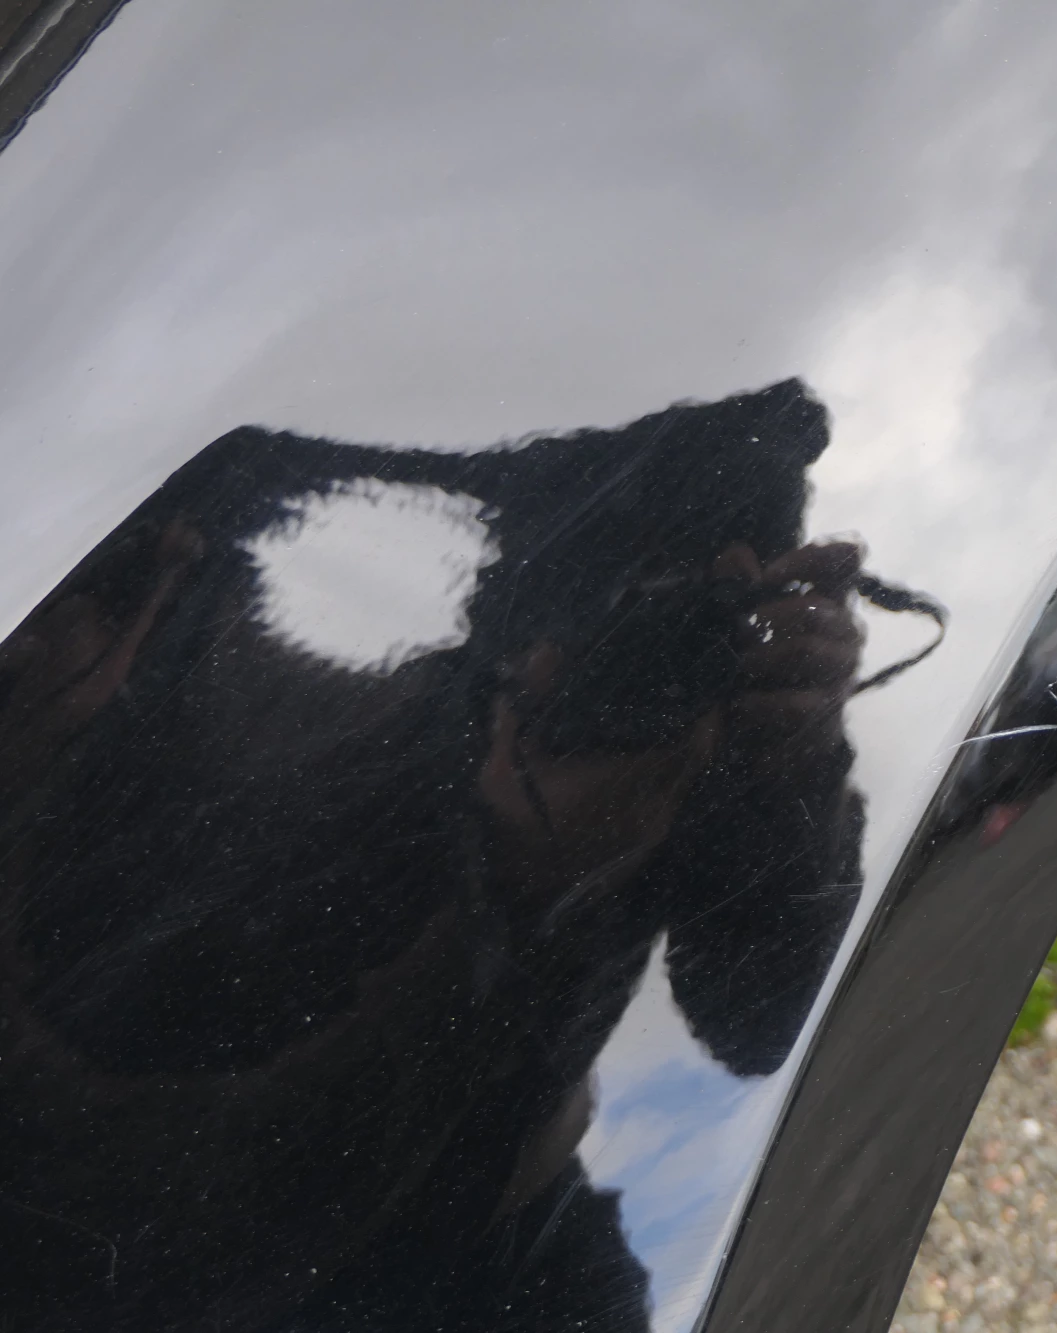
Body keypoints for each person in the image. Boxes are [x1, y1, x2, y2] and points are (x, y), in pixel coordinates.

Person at [0, 380, 872, 1330]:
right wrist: (525, 892)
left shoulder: (716, 738)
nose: (643, 635)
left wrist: (795, 768)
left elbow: (754, 1032)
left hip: (509, 1231)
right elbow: (145, 1204)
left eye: (697, 599)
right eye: (615, 588)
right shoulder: (321, 721)